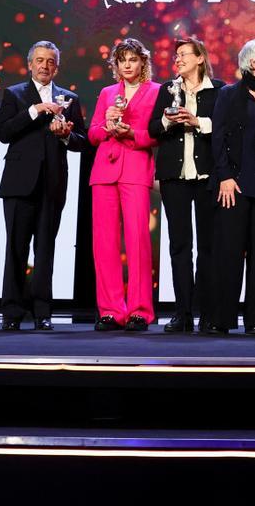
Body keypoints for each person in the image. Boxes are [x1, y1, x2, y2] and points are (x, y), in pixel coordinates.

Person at [0, 40, 87, 331]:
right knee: (16, 249)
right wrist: (34, 111)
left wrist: (64, 136)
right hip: (19, 185)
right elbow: (3, 133)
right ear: (30, 64)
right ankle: (11, 313)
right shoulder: (14, 94)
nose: (45, 65)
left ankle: (42, 313)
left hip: (53, 184)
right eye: (40, 60)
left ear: (57, 66)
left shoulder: (69, 98)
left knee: (46, 249)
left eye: (50, 61)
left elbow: (82, 142)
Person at [148, 37, 224, 332]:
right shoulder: (168, 90)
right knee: (179, 245)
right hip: (174, 177)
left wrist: (198, 122)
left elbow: (228, 129)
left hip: (207, 177)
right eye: (176, 55)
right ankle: (182, 313)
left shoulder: (219, 91)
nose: (177, 59)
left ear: (200, 58)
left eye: (183, 55)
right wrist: (169, 121)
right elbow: (153, 128)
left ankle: (207, 312)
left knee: (208, 246)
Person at [89, 38, 159, 331]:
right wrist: (106, 125)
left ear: (143, 62)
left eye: (133, 59)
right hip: (104, 172)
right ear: (116, 65)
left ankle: (140, 310)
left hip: (135, 169)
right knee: (104, 244)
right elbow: (92, 134)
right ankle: (110, 310)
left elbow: (157, 133)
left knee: (138, 241)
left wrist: (132, 133)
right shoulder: (107, 93)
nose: (128, 65)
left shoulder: (157, 92)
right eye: (122, 60)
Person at [211, 39, 255, 334]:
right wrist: (225, 176)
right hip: (234, 186)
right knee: (229, 254)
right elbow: (218, 138)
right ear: (254, 64)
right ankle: (222, 319)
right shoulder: (229, 95)